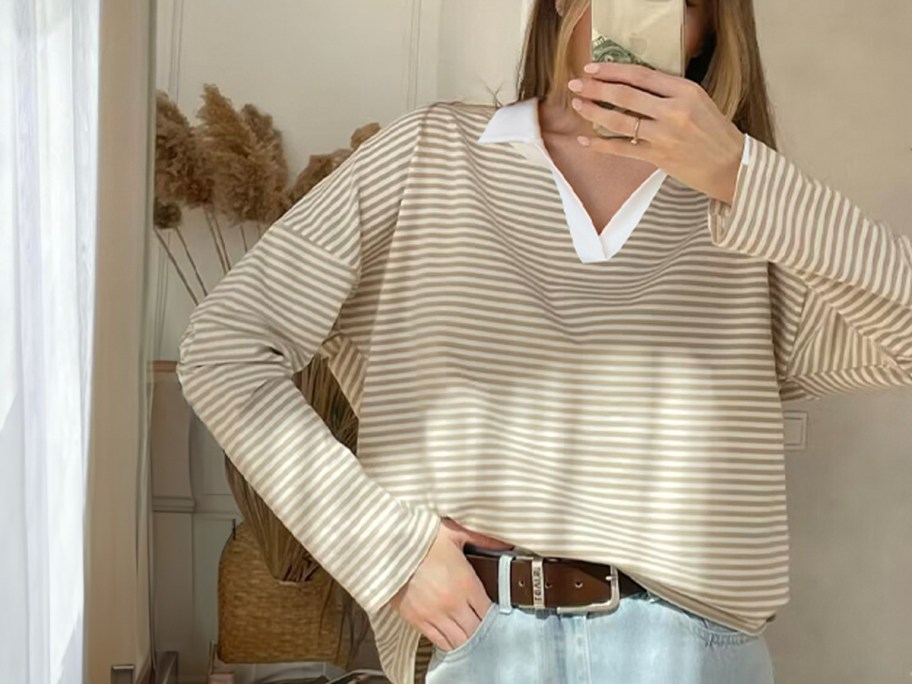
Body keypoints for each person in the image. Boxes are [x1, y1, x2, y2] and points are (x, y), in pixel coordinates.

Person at [175, 0, 912, 682]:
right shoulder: (428, 157)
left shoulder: (755, 214)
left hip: (694, 650)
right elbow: (225, 347)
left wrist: (741, 175)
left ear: (712, 28)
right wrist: (387, 551)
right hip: (477, 638)